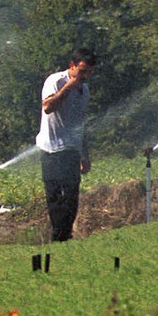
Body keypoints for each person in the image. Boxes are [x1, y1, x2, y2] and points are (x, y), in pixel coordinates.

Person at [37, 48, 96, 242]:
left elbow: (80, 124)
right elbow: (48, 107)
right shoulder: (55, 81)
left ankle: (65, 235)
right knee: (55, 198)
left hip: (71, 150)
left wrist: (84, 154)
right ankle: (57, 238)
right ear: (72, 66)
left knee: (71, 197)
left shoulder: (84, 90)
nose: (85, 76)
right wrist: (68, 88)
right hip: (51, 150)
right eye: (82, 71)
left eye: (88, 72)